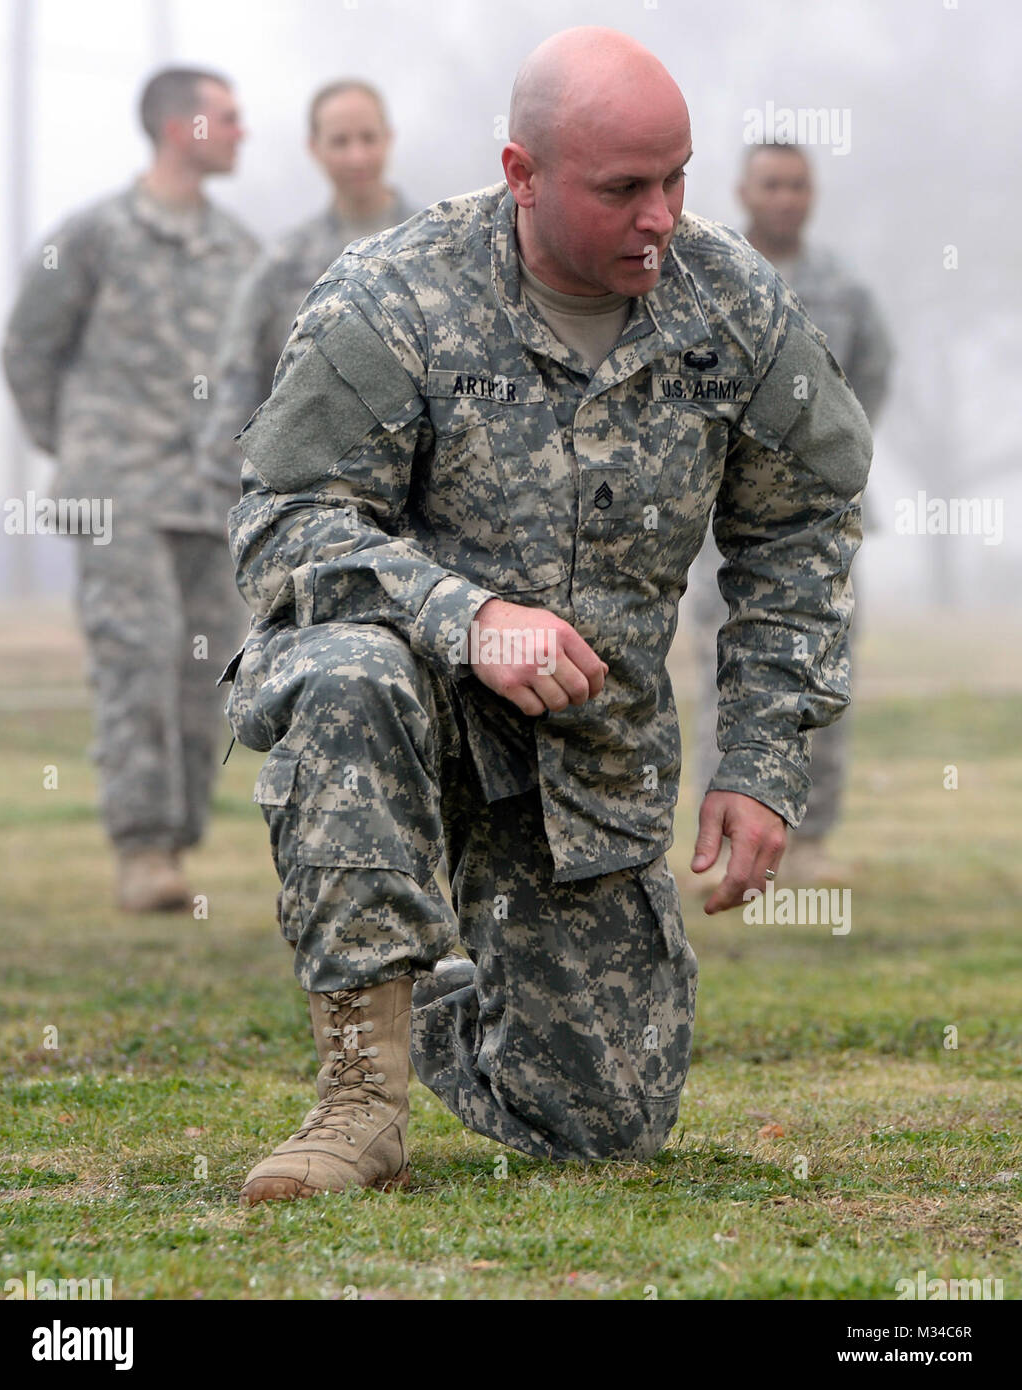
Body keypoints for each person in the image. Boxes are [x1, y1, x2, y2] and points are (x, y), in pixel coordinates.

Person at [219, 26, 871, 1206]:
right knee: (341, 670)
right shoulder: (394, 295)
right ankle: (360, 1097)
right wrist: (464, 615)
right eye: (622, 188)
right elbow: (283, 522)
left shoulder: (730, 309)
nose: (659, 216)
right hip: (412, 710)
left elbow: (803, 522)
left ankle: (437, 989)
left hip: (583, 758)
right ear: (523, 173)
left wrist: (761, 760)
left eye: (675, 178)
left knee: (604, 1124)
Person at [2, 68, 258, 912]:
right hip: (114, 495)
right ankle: (143, 851)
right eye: (226, 117)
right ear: (180, 127)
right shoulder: (95, 236)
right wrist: (74, 445)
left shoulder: (241, 251)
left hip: (209, 493)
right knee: (136, 659)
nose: (240, 132)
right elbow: (27, 347)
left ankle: (178, 839)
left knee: (206, 671)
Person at [687, 142, 893, 889]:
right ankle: (722, 836)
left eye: (798, 184)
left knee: (822, 665)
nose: (785, 197)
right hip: (723, 519)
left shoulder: (844, 291)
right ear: (745, 189)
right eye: (771, 183)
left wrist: (830, 464)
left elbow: (868, 379)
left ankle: (811, 841)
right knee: (726, 669)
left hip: (821, 519)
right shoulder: (709, 279)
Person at [200, 79, 417, 513]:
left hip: (422, 503)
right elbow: (239, 380)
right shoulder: (282, 265)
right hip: (313, 508)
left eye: (368, 138)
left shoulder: (434, 249)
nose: (356, 155)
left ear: (389, 139)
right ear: (314, 148)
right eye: (340, 141)